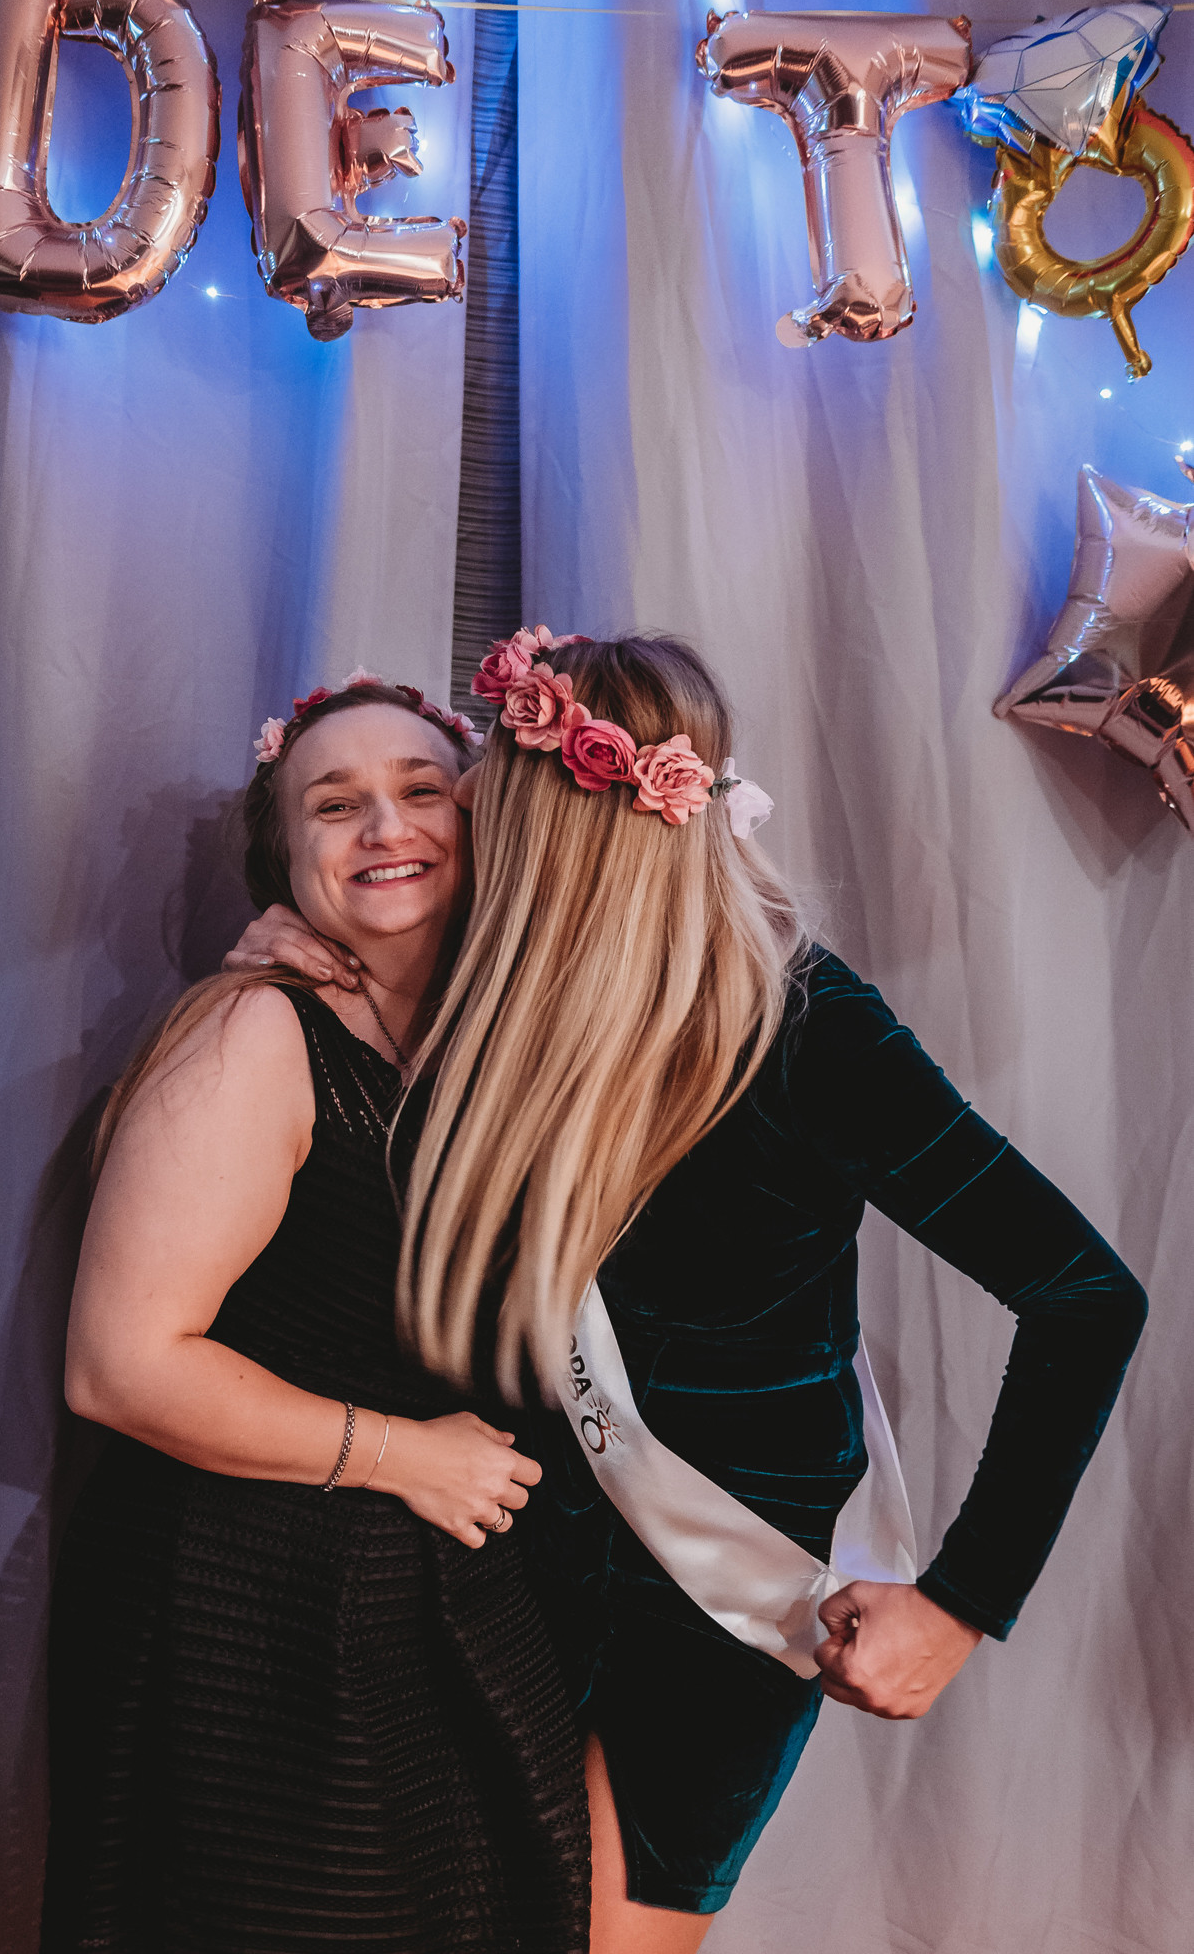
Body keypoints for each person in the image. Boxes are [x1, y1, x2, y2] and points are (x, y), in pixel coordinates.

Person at [228, 628, 1148, 1954]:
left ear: (544, 822)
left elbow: (1082, 1294)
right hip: (493, 1566)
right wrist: (298, 948)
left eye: (478, 789)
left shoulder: (801, 1018)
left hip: (705, 1596)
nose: (457, 816)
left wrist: (959, 1605)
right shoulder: (490, 994)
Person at [42, 678, 590, 1954]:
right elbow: (120, 1364)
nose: (386, 826)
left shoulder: (497, 1036)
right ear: (285, 863)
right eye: (334, 806)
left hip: (437, 1595)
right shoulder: (255, 1033)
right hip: (248, 1615)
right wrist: (407, 1456)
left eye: (421, 790)